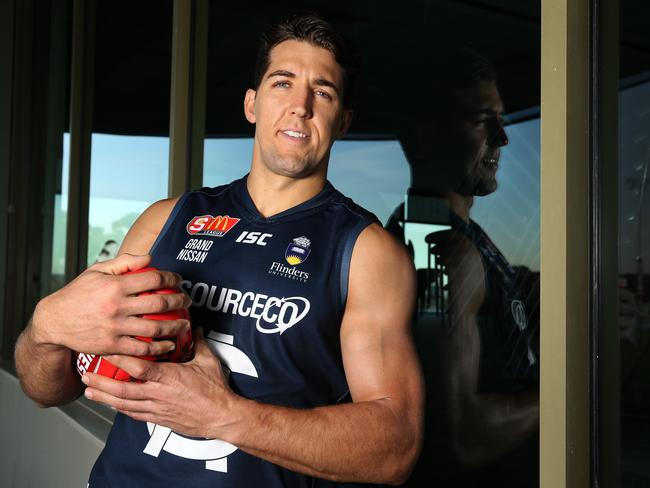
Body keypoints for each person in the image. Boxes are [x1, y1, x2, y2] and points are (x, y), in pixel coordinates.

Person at [14, 14, 424, 488]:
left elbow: (397, 445)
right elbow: (47, 389)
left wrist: (223, 415)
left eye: (324, 92)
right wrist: (45, 329)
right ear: (252, 103)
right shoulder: (164, 221)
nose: (300, 107)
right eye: (282, 83)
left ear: (344, 121)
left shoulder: (367, 252)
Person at [388, 49, 539, 487]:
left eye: (502, 120)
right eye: (481, 121)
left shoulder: (444, 234)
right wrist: (574, 382)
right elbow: (455, 440)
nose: (503, 139)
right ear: (424, 137)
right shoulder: (443, 253)